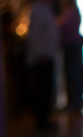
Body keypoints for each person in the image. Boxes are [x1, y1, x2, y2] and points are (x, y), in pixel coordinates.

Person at [25, 0, 59, 128]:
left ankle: (45, 118)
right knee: (42, 89)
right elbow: (35, 35)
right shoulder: (38, 11)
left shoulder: (45, 10)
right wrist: (41, 55)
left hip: (47, 55)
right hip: (42, 58)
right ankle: (42, 120)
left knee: (46, 89)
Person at [60, 1, 83, 112]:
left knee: (74, 73)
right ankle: (76, 101)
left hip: (72, 46)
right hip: (73, 46)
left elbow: (65, 28)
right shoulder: (72, 12)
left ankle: (77, 101)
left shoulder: (70, 13)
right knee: (74, 73)